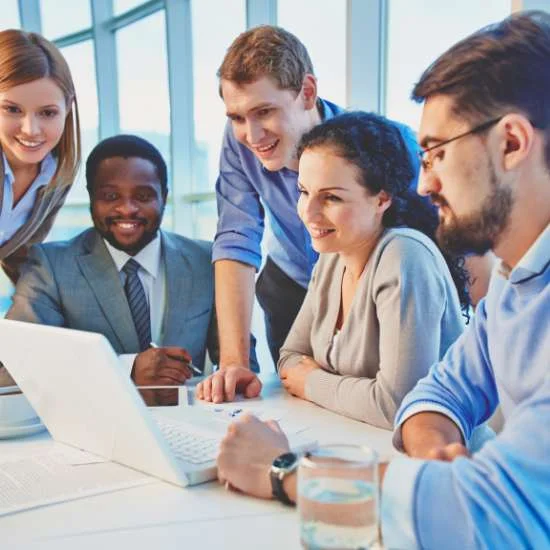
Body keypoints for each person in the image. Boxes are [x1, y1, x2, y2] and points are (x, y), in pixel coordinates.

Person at [216, 11, 550, 549]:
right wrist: (437, 469)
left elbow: (490, 511)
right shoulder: (517, 280)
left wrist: (285, 471)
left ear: (511, 143)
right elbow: (438, 394)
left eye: (438, 152)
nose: (424, 181)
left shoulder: (417, 256)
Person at [198, 25, 417, 403]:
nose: (251, 135)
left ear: (307, 93)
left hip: (364, 286)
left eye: (264, 111)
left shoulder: (378, 147)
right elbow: (236, 238)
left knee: (362, 394)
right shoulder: (241, 142)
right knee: (298, 394)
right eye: (236, 116)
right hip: (290, 284)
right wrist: (233, 362)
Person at [276, 111, 467, 429]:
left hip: (446, 466)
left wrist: (311, 382)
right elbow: (289, 359)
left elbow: (398, 404)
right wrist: (336, 389)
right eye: (304, 191)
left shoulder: (404, 257)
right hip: (361, 444)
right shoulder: (333, 255)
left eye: (332, 197)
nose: (308, 212)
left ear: (382, 199)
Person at [6, 135, 225, 386]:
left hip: (189, 418)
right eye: (110, 197)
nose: (127, 209)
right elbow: (18, 362)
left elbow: (239, 364)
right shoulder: (51, 266)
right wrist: (126, 368)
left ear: (164, 197)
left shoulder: (207, 261)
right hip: (92, 421)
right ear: (92, 198)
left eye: (143, 196)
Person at [0, 29, 80, 283]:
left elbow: (20, 258)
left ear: (68, 108)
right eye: (12, 109)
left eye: (47, 113)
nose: (30, 130)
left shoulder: (58, 174)